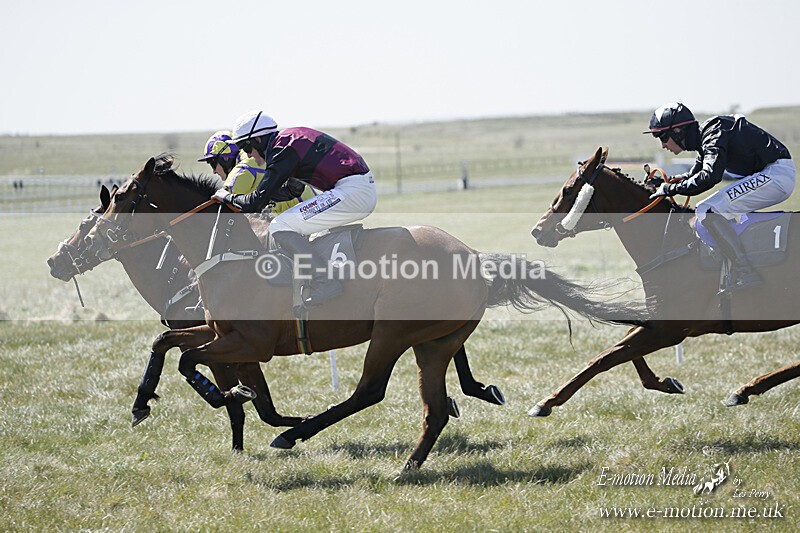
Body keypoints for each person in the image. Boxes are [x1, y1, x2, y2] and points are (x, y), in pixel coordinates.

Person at [212, 110, 376, 306]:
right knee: (287, 222)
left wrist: (226, 196)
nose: (249, 156)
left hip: (353, 192)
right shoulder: (289, 141)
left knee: (280, 226)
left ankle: (325, 281)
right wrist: (264, 198)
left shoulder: (282, 149)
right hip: (355, 189)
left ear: (257, 141)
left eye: (247, 149)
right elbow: (292, 189)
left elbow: (255, 202)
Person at [645, 102, 795, 290]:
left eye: (663, 136)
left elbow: (709, 177)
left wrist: (671, 190)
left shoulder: (713, 131)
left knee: (707, 209)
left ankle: (745, 271)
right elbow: (693, 175)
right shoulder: (704, 140)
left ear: (678, 131)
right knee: (709, 208)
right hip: (771, 174)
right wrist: (664, 183)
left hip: (776, 175)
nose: (663, 144)